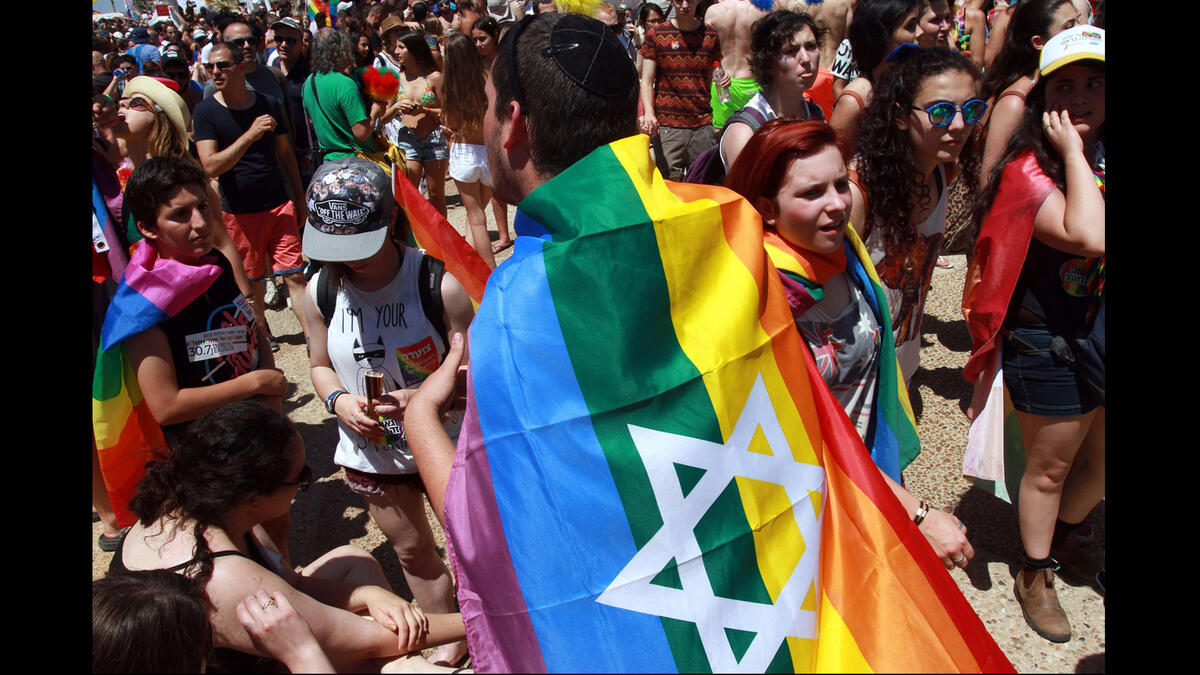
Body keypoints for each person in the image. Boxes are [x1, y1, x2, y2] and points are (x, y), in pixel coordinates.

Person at [724, 117, 973, 569]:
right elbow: (800, 441)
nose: (837, 204)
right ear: (767, 208)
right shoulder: (763, 300)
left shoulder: (845, 251)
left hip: (867, 478)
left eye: (841, 184)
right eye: (811, 192)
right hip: (810, 503)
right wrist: (914, 513)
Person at [109, 401, 467, 672]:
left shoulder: (193, 497)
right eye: (301, 477)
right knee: (395, 658)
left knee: (354, 562)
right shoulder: (224, 577)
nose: (303, 488)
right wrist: (475, 619)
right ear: (252, 497)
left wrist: (367, 593)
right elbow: (365, 639)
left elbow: (288, 582)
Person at [301, 158, 474, 668]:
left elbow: (479, 371)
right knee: (411, 551)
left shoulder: (438, 285)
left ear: (389, 221)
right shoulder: (321, 292)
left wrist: (423, 400)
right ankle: (449, 633)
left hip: (447, 441)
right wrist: (339, 401)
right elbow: (316, 364)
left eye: (357, 245)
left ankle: (493, 623)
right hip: (371, 450)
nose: (347, 262)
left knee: (472, 544)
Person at [962, 25, 1104, 644]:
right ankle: (1034, 570)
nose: (1083, 97)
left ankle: (1067, 538)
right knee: (1050, 468)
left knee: (1102, 464)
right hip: (1048, 342)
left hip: (1098, 333)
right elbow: (1087, 236)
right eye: (1066, 84)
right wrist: (1073, 154)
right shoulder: (1028, 169)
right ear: (1045, 97)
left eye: (1097, 83)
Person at [848, 47, 984, 385]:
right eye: (939, 112)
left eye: (971, 109)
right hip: (855, 377)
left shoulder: (941, 171)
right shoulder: (857, 193)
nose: (958, 125)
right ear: (901, 116)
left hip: (901, 368)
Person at [194, 41, 311, 350]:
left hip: (279, 203)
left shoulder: (268, 103)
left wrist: (299, 199)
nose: (216, 71)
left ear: (241, 66)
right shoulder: (206, 111)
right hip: (239, 212)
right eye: (211, 66)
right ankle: (263, 336)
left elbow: (286, 155)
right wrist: (250, 135)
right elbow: (210, 165)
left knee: (295, 276)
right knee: (254, 283)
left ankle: (314, 339)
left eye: (223, 65)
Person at [978, 0, 1079, 179]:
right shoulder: (1015, 102)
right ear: (1039, 42)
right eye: (1069, 26)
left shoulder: (1069, 85)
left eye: (1078, 21)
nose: (1080, 30)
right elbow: (989, 178)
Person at [718, 10, 825, 172]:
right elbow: (750, 196)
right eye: (791, 51)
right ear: (769, 62)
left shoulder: (815, 114)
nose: (805, 59)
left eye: (811, 46)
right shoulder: (745, 132)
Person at [637, 0, 725, 180]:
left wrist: (723, 79)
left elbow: (714, 72)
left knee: (703, 186)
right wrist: (650, 113)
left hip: (702, 124)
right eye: (679, 0)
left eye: (690, 0)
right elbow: (646, 80)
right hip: (668, 126)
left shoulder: (711, 35)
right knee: (668, 186)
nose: (685, 5)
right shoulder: (656, 35)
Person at [828, 0, 921, 154]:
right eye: (910, 26)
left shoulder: (910, 81)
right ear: (882, 33)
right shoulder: (854, 100)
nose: (919, 32)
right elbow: (834, 162)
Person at [442, 32, 500, 266]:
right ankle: (467, 265)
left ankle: (488, 271)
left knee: (476, 218)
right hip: (487, 153)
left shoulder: (450, 86)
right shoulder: (488, 76)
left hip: (464, 153)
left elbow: (451, 124)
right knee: (475, 216)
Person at [382, 31, 450, 216]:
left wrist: (425, 110)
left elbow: (448, 112)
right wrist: (396, 107)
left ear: (415, 51)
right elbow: (383, 117)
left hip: (434, 138)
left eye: (401, 47)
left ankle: (441, 241)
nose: (396, 51)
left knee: (436, 195)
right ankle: (415, 238)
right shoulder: (395, 79)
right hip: (407, 138)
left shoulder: (434, 77)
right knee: (411, 194)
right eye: (396, 47)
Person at [303, 28, 381, 163]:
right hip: (355, 164)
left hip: (328, 163)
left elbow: (310, 122)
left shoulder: (309, 82)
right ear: (340, 50)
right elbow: (361, 132)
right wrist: (376, 112)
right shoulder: (345, 84)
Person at [703, 0, 771, 131]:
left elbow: (706, 51)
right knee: (758, 137)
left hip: (722, 83)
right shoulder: (762, 10)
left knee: (720, 138)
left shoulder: (714, 11)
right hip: (754, 80)